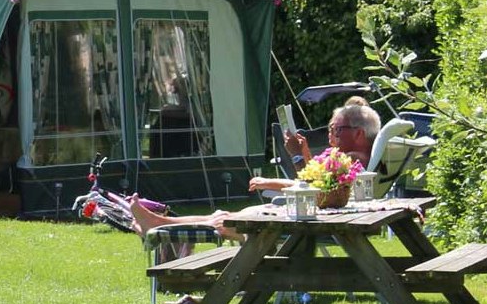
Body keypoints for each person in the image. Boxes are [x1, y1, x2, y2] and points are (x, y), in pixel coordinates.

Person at [128, 99, 384, 236]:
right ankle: (162, 223)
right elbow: (315, 185)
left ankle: (162, 224)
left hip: (310, 221)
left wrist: (297, 156)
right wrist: (300, 156)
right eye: (330, 128)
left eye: (336, 129)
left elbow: (317, 190)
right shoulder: (348, 159)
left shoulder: (352, 162)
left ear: (359, 134)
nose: (331, 135)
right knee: (222, 217)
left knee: (225, 221)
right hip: (306, 215)